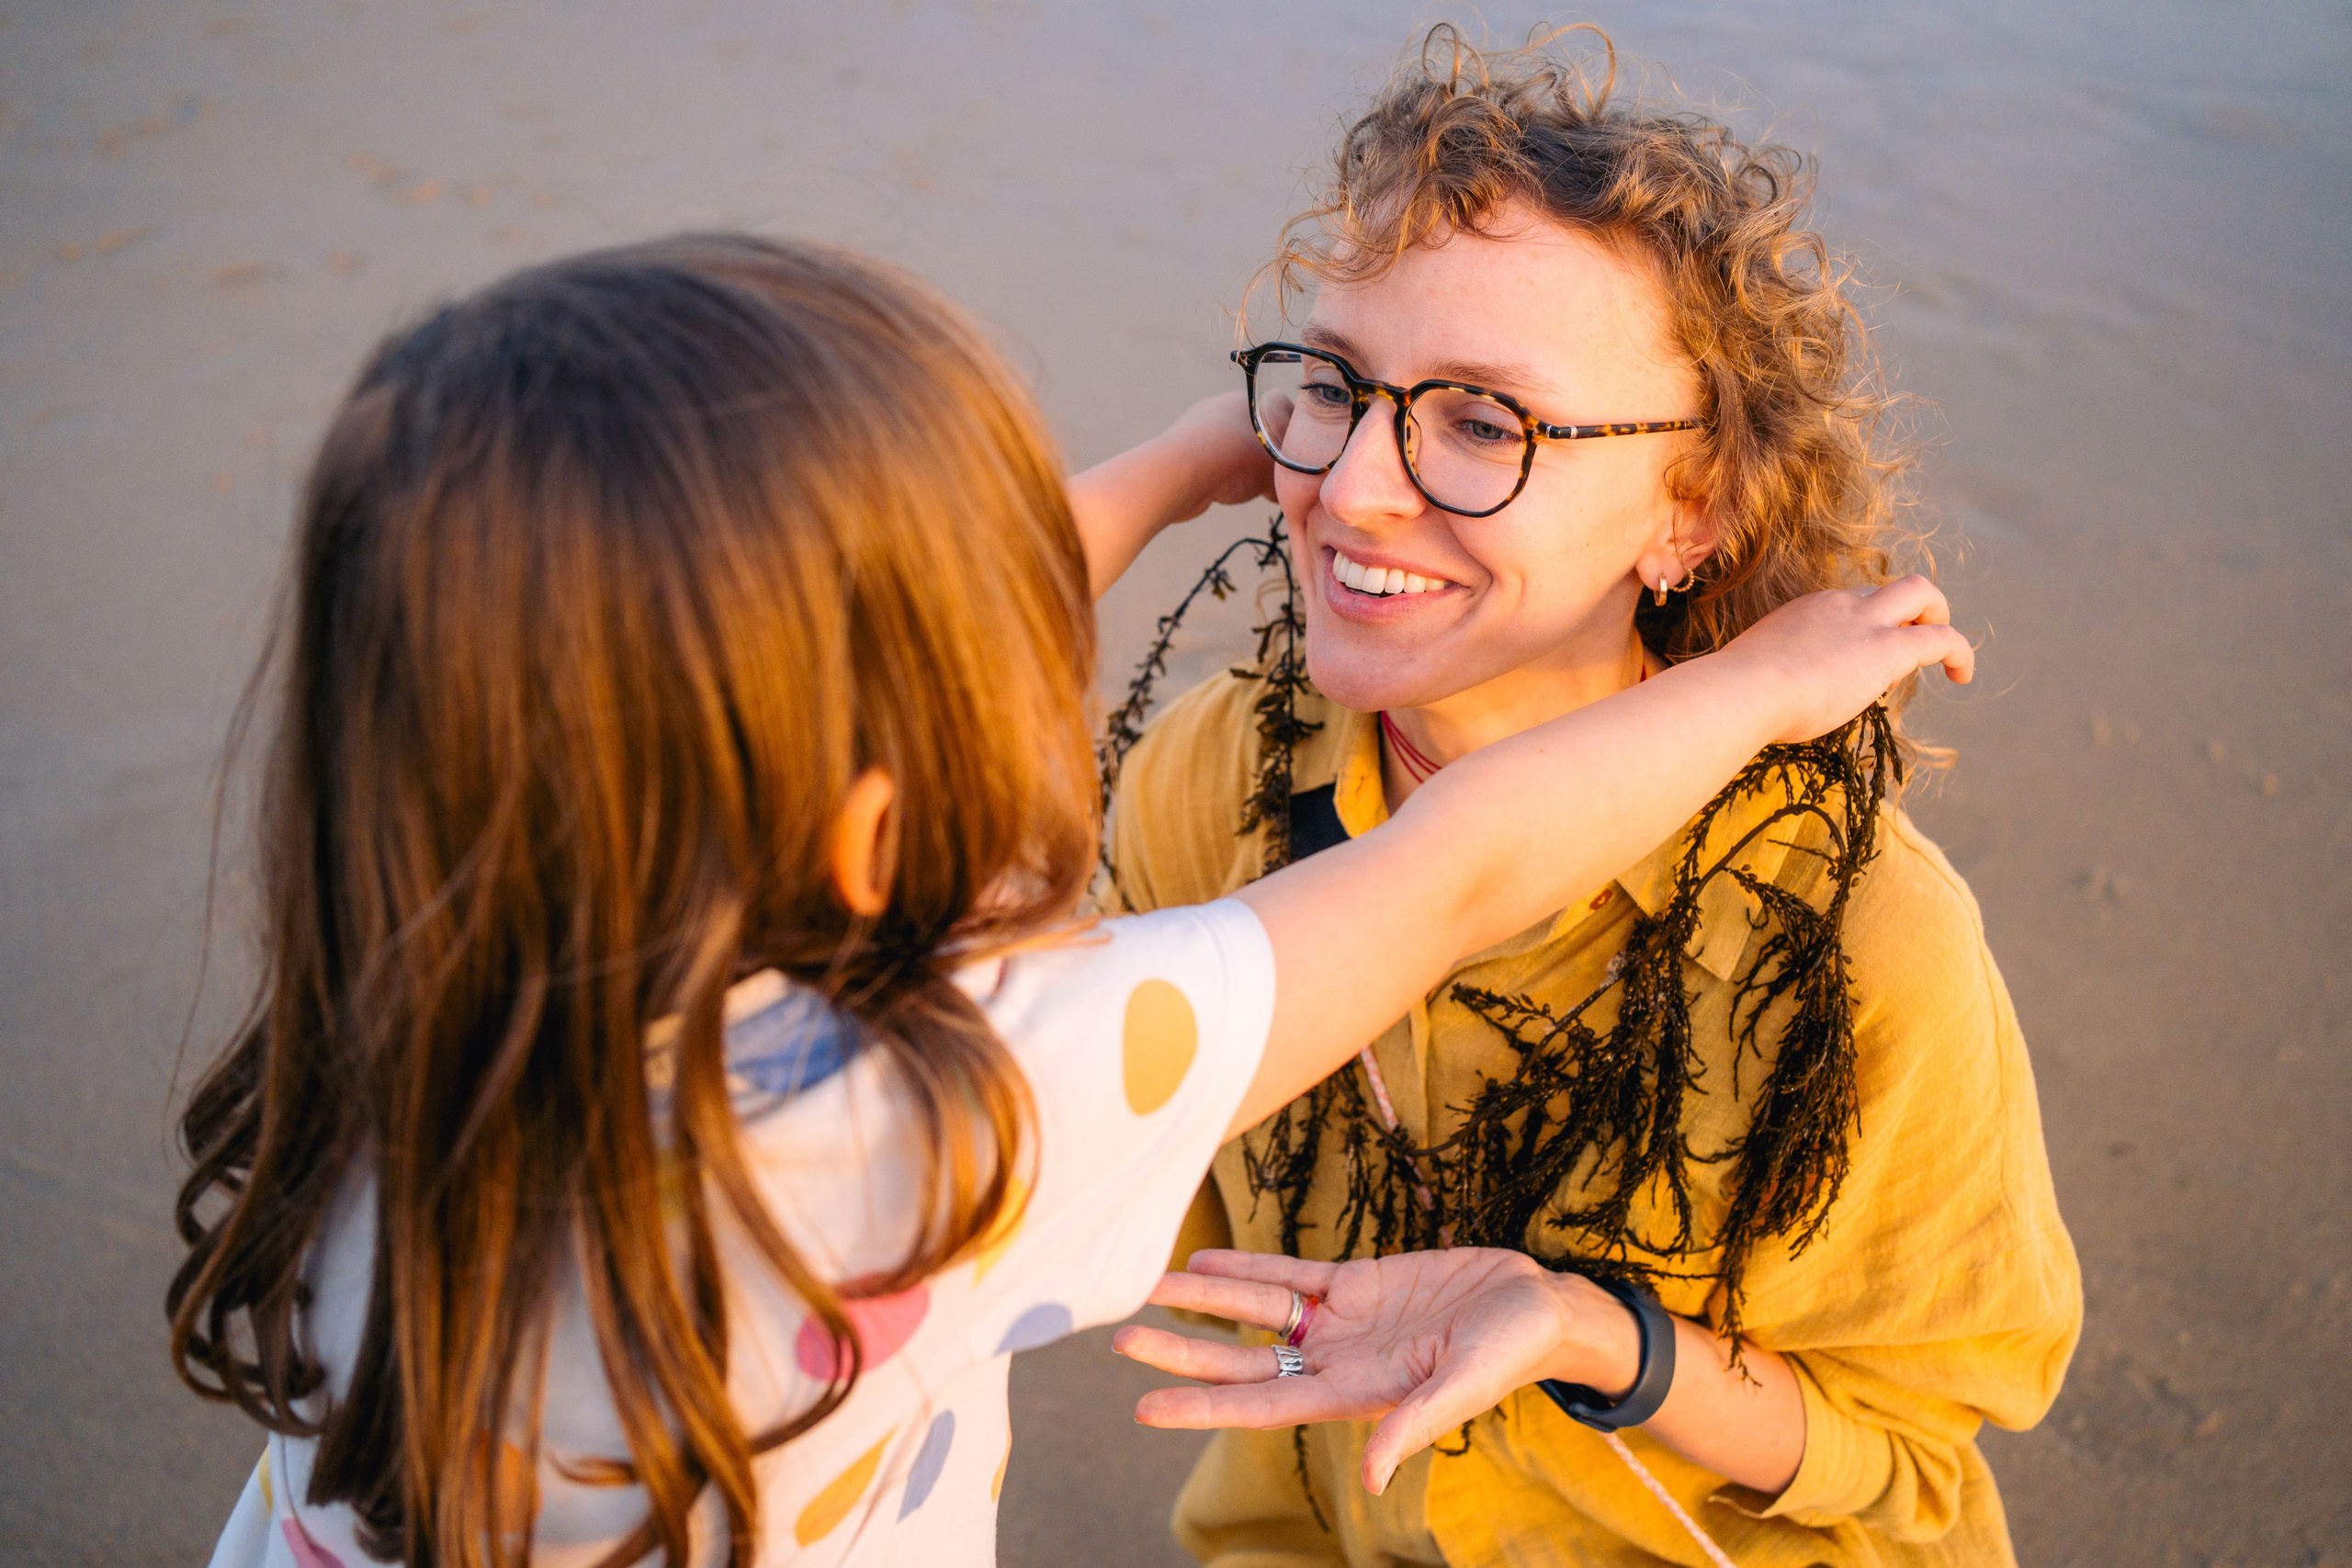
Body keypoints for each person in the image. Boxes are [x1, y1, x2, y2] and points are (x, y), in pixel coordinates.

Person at [164, 234, 1968, 1568]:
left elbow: (846, 657)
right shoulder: (953, 1103)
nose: (1345, 472)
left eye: (1464, 418)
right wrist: (1749, 685)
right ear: (870, 826)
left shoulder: (408, 1000)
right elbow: (1449, 873)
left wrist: (1217, 451)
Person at [1102, 26, 2079, 1568]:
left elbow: (1907, 1459)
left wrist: (1597, 1337)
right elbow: (1074, 1163)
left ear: (1690, 517)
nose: (1356, 485)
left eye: (1484, 423)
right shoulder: (1206, 786)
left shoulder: (1852, 946)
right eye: (1333, 386)